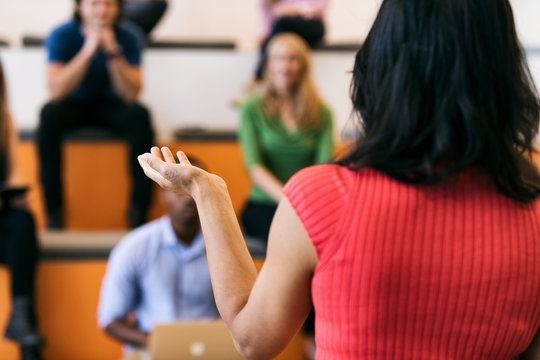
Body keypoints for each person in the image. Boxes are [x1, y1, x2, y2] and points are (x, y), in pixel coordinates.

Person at [138, 0, 540, 358]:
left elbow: (252, 339)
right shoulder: (533, 201)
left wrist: (208, 191)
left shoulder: (322, 196)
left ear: (382, 63)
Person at [38, 0, 154, 229]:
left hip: (113, 105)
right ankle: (54, 215)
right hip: (73, 105)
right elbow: (56, 91)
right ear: (80, 7)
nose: (102, 11)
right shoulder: (61, 34)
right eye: (95, 4)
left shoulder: (130, 36)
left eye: (109, 4)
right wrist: (88, 50)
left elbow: (131, 94)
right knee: (48, 114)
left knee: (140, 115)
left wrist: (112, 52)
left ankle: (138, 215)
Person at [97, 157, 219, 352]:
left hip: (211, 351)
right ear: (163, 195)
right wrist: (160, 343)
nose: (188, 196)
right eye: (178, 189)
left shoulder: (224, 245)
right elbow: (110, 320)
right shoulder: (134, 246)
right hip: (152, 350)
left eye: (194, 187)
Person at [239, 33, 333, 244]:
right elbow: (254, 167)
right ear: (268, 64)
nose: (285, 65)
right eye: (278, 58)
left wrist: (302, 205)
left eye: (293, 58)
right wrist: (290, 202)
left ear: (303, 65)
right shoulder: (251, 108)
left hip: (309, 204)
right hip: (265, 205)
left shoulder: (323, 113)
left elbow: (323, 168)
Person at [0, 60, 44, 360]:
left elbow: (12, 175)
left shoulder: (5, 121)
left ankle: (20, 315)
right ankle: (23, 326)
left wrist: (17, 196)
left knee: (24, 221)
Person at [254, 0, 328, 81]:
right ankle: (261, 76)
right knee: (273, 34)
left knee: (282, 23)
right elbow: (268, 22)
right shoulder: (267, 3)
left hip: (311, 23)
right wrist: (264, 36)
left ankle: (258, 76)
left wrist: (295, 10)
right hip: (283, 28)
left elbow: (319, 6)